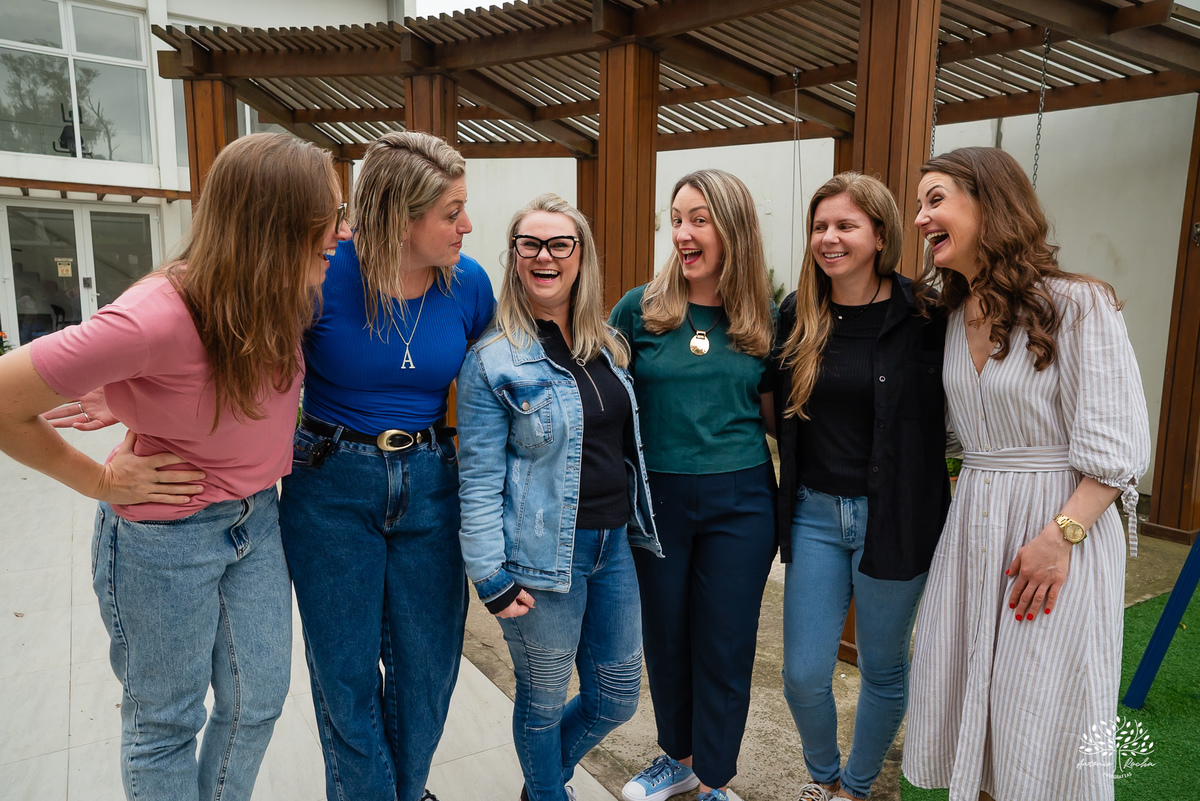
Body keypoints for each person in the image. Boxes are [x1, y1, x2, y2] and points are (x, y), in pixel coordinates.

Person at [0, 132, 350, 800]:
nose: (338, 234)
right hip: (165, 538)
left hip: (258, 519)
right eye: (326, 223)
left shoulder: (286, 289)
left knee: (257, 703)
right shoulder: (152, 317)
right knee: (166, 722)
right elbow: (4, 398)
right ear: (273, 230)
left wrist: (132, 391)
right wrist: (98, 479)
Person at [902, 147, 1151, 801]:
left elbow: (1118, 445)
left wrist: (1060, 535)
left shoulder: (1079, 303)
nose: (920, 215)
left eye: (936, 199)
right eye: (918, 203)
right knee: (979, 706)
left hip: (1056, 529)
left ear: (988, 205)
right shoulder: (954, 319)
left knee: (1040, 704)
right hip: (976, 529)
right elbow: (956, 437)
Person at [277, 131, 494, 801]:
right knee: (344, 674)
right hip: (330, 481)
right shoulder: (323, 272)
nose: (466, 224)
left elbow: (502, 385)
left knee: (425, 671)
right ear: (402, 215)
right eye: (451, 211)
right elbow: (239, 346)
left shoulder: (471, 285)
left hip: (432, 482)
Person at [456, 193, 661, 801]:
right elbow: (479, 477)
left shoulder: (608, 345)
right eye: (530, 244)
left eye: (559, 244)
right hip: (541, 559)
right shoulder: (492, 360)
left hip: (614, 545)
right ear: (515, 257)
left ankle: (542, 782)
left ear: (581, 256)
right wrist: (487, 573)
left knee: (616, 697)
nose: (545, 256)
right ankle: (548, 794)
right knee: (542, 700)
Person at [773, 173, 950, 801]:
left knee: (882, 667)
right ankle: (822, 777)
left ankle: (855, 787)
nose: (829, 238)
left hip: (895, 516)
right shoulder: (797, 315)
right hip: (814, 515)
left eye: (846, 225)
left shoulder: (925, 313)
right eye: (820, 226)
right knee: (802, 674)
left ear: (879, 235)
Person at [610, 169, 777, 801]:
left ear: (732, 228)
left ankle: (714, 780)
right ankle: (675, 759)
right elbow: (602, 399)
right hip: (657, 501)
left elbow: (775, 417)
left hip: (742, 501)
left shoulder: (763, 317)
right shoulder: (639, 309)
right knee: (668, 635)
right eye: (676, 218)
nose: (683, 232)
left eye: (699, 218)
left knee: (726, 643)